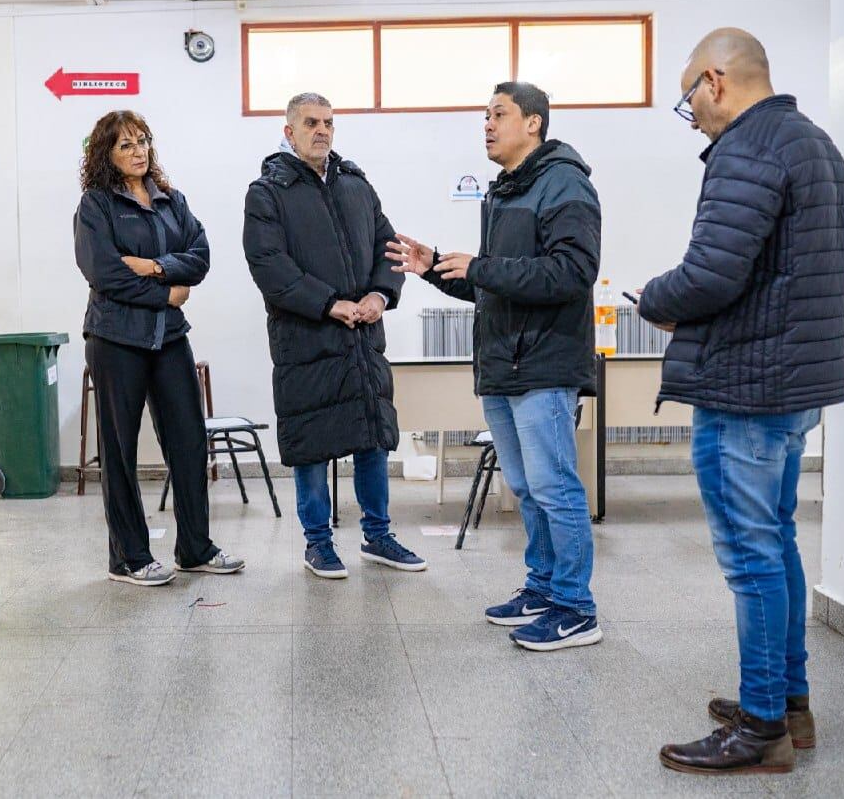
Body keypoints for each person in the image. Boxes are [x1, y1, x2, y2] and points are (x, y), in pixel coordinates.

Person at [643, 29, 844, 776]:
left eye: (688, 99)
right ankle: (789, 702)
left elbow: (711, 273)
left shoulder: (748, 147)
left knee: (750, 554)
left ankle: (763, 725)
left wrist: (655, 301)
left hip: (746, 385)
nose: (692, 114)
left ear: (714, 79)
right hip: (795, 383)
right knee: (778, 541)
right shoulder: (815, 143)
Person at [386, 81, 602, 650]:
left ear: (533, 123)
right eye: (485, 115)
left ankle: (577, 607)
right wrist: (435, 267)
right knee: (528, 489)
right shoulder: (504, 191)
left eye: (498, 114)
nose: (486, 124)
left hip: (544, 364)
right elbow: (494, 286)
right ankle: (543, 587)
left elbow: (570, 274)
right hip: (502, 364)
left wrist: (481, 266)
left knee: (556, 488)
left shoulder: (564, 183)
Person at [243, 91, 425, 579]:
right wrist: (328, 303)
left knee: (372, 436)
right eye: (310, 123)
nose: (321, 131)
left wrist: (379, 297)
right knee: (311, 441)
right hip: (307, 341)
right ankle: (318, 543)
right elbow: (269, 265)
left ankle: (378, 535)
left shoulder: (357, 186)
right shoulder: (267, 193)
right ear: (289, 132)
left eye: (327, 123)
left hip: (363, 339)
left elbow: (390, 248)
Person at [74, 110, 244, 585]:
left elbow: (201, 257)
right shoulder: (96, 205)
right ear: (106, 153)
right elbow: (104, 274)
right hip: (115, 338)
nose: (138, 151)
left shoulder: (172, 201)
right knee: (120, 451)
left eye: (143, 141)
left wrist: (153, 268)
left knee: (189, 442)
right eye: (125, 144)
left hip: (168, 337)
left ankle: (195, 548)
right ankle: (128, 558)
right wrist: (168, 291)